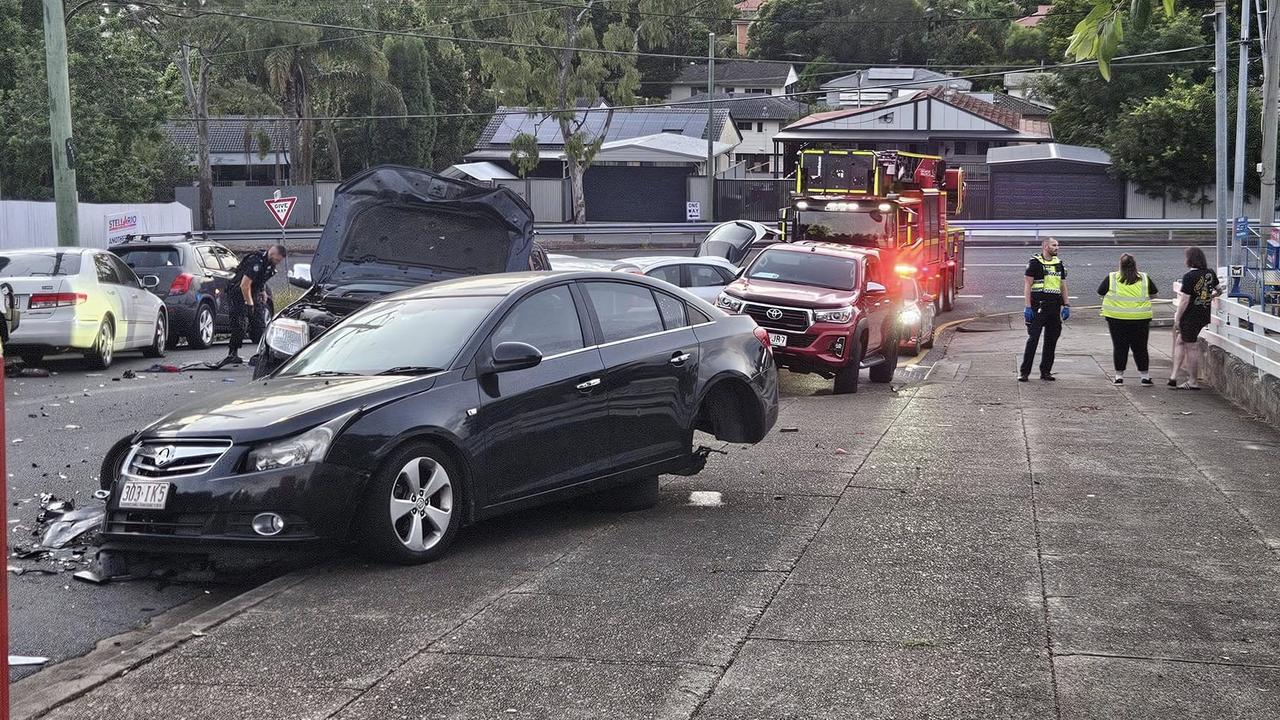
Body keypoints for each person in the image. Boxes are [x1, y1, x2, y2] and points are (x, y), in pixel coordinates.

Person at [1098, 253, 1157, 385]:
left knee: (1120, 347)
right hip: (1140, 318)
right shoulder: (1144, 277)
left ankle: (1119, 377)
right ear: (1135, 265)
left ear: (1120, 265)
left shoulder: (1112, 277)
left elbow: (1100, 292)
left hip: (1116, 318)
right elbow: (1154, 294)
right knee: (1141, 348)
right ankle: (1145, 377)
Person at [225, 244, 286, 365]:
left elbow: (261, 279)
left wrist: (263, 292)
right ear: (272, 254)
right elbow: (244, 285)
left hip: (253, 292)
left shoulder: (269, 264)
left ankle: (264, 353)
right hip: (239, 293)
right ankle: (233, 353)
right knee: (240, 324)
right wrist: (249, 303)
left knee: (259, 323)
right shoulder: (255, 261)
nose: (277, 263)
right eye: (277, 260)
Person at [1019, 237, 1070, 382]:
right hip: (1038, 307)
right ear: (1045, 246)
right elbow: (1028, 285)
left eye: (1058, 245)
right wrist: (1028, 307)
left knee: (1051, 341)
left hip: (1054, 307)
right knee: (1033, 339)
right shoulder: (1034, 263)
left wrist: (1066, 305)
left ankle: (1046, 371)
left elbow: (1063, 285)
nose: (1057, 247)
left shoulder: (1058, 263)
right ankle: (1024, 372)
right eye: (1054, 245)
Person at [1170, 246, 1221, 390]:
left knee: (1191, 347)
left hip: (1190, 316)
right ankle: (1173, 376)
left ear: (1190, 260)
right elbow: (1219, 290)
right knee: (1181, 341)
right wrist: (1209, 297)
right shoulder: (1209, 273)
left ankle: (1193, 381)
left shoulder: (1189, 277)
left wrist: (1178, 318)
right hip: (1203, 314)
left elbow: (1185, 300)